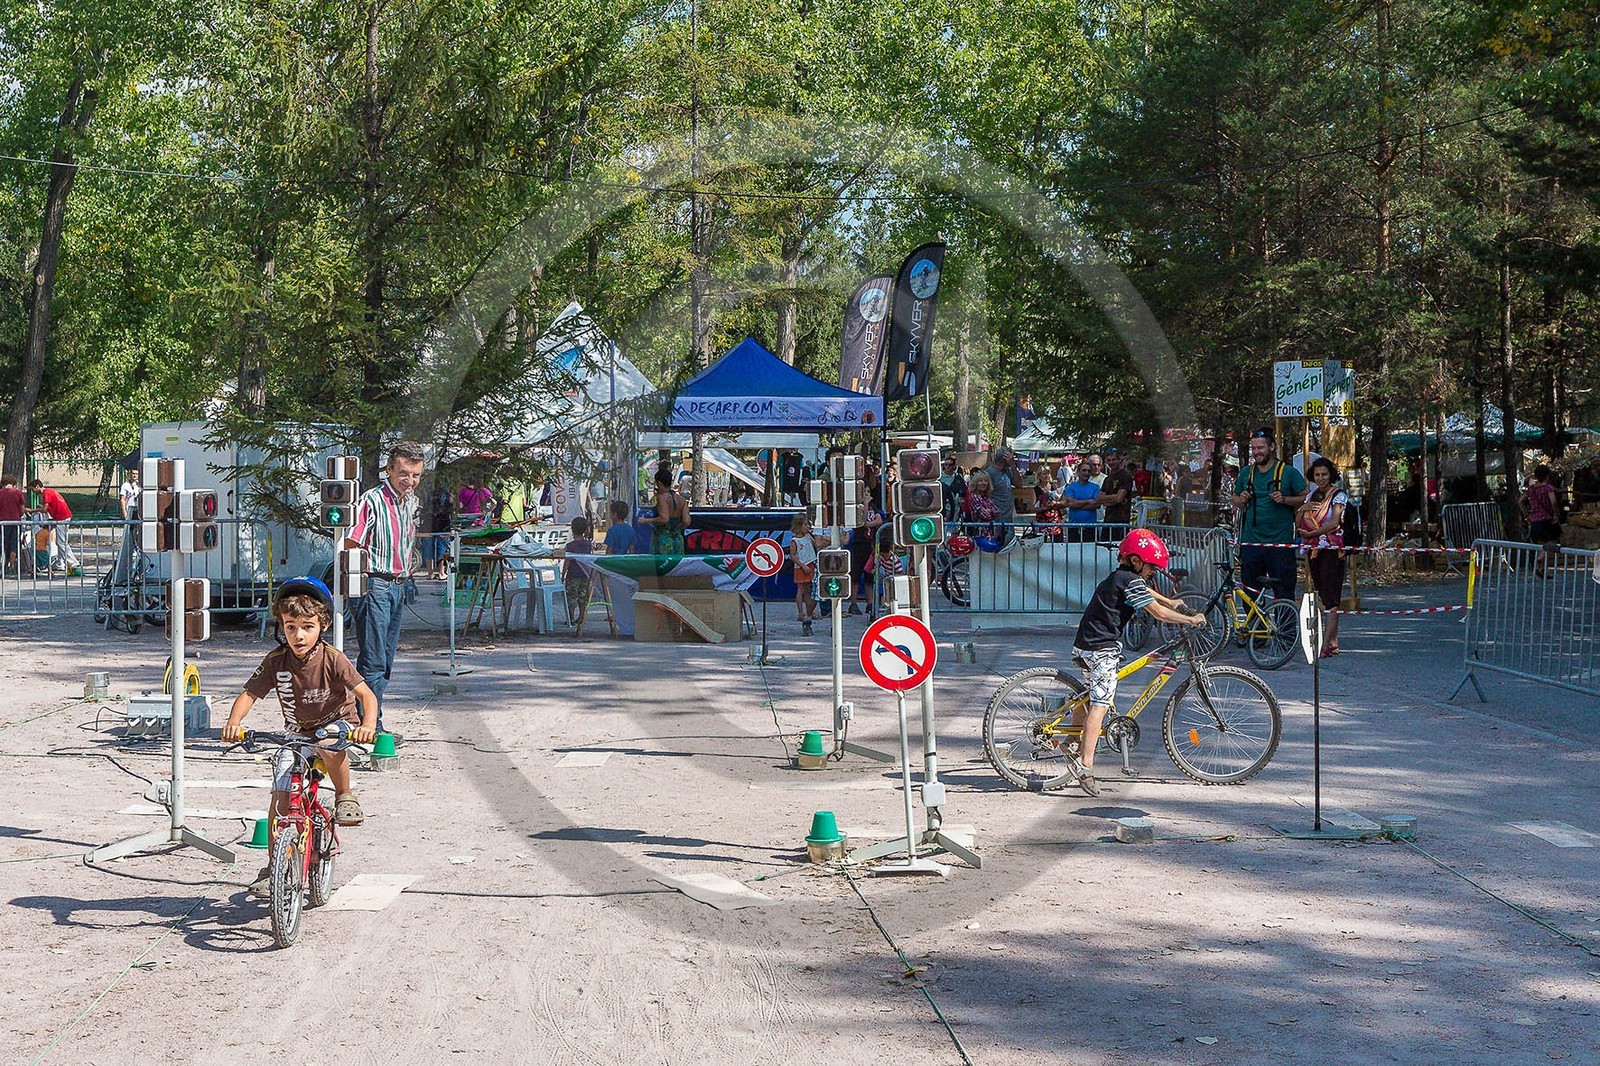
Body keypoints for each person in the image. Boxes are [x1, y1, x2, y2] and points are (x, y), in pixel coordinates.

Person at [221, 577, 378, 897]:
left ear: (322, 625)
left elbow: (366, 695)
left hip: (337, 723)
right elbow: (249, 694)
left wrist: (368, 725)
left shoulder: (332, 658)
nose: (298, 635)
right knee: (279, 795)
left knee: (327, 741)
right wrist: (233, 723)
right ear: (281, 625)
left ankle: (344, 794)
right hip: (296, 731)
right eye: (290, 626)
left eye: (307, 626)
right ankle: (272, 866)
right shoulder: (276, 661)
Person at [1070, 529, 1206, 795]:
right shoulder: (1130, 581)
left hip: (1086, 645)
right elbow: (1157, 613)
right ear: (1135, 560)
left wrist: (1172, 601)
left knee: (1088, 698)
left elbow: (1150, 595)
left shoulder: (1122, 578)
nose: (1153, 572)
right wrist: (1190, 619)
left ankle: (1070, 741)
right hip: (1101, 649)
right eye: (1151, 566)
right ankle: (1085, 766)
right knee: (1100, 703)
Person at [347, 441, 424, 737]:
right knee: (374, 659)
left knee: (387, 658)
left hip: (398, 585)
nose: (410, 481)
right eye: (404, 473)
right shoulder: (372, 500)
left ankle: (371, 717)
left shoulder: (410, 502)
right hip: (375, 584)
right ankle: (369, 724)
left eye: (416, 475)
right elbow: (351, 543)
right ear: (389, 469)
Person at [1231, 428, 1308, 599]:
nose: (1256, 452)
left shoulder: (1287, 472)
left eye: (1260, 448)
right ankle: (1256, 626)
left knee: (1284, 591)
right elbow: (1234, 498)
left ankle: (1285, 626)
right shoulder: (1246, 472)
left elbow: (1304, 496)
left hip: (1279, 544)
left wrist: (1286, 499)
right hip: (1251, 543)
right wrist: (1241, 499)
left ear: (1272, 447)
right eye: (1254, 449)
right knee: (1250, 593)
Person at [1297, 458, 1348, 656]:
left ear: (1331, 475)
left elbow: (1335, 522)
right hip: (1314, 550)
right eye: (1317, 475)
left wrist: (1312, 534)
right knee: (1323, 594)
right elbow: (1299, 521)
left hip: (1332, 551)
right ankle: (1333, 642)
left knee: (1331, 597)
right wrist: (1303, 510)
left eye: (1324, 474)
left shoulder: (1339, 496)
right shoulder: (1311, 495)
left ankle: (1325, 645)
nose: (1321, 478)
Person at [27, 478, 80, 575]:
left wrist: (31, 511)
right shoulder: (49, 491)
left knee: (61, 542)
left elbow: (44, 509)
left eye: (33, 489)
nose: (33, 492)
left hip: (62, 518)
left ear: (37, 486)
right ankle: (61, 563)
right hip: (61, 517)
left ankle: (72, 563)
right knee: (61, 541)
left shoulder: (46, 493)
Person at [1521, 464, 1562, 576]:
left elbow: (1520, 501)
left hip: (1534, 520)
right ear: (1548, 476)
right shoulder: (1548, 488)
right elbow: (1553, 502)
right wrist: (1556, 514)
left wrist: (1526, 516)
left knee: (1541, 544)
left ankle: (1541, 569)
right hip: (1547, 520)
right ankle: (1541, 558)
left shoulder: (1531, 489)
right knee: (1554, 540)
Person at [644, 465, 689, 554]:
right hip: (677, 540)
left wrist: (646, 520)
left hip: (663, 540)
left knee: (661, 566)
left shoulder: (662, 498)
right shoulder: (682, 500)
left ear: (659, 483)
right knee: (678, 566)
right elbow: (686, 521)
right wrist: (676, 530)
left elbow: (664, 519)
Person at [789, 512, 819, 634]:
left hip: (811, 563)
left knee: (808, 590)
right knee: (801, 589)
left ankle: (808, 612)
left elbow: (815, 544)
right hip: (801, 566)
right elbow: (792, 555)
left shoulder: (808, 536)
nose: (807, 527)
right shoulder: (795, 540)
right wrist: (802, 565)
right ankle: (800, 612)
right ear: (799, 525)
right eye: (805, 524)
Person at [419, 479, 455, 580]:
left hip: (428, 521)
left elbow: (421, 502)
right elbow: (452, 504)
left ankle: (430, 572)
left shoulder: (426, 488)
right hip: (443, 522)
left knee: (428, 546)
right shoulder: (447, 489)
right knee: (442, 547)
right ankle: (441, 572)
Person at [1060, 460, 1102, 542]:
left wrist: (1077, 503)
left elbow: (1096, 504)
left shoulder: (1095, 487)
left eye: (1089, 471)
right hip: (1074, 527)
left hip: (1090, 528)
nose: (1086, 473)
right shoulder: (1070, 487)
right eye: (1084, 470)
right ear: (1078, 472)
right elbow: (1070, 504)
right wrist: (1088, 501)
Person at [563, 516, 594, 624]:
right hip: (585, 574)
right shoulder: (587, 545)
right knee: (583, 596)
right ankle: (581, 617)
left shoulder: (570, 546)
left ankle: (570, 617)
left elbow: (567, 561)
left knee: (571, 596)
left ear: (572, 529)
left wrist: (563, 574)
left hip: (573, 575)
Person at [985, 447, 1018, 546]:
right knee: (999, 544)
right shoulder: (990, 473)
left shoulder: (1008, 471)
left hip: (1008, 516)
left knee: (1009, 544)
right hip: (997, 517)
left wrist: (1013, 466)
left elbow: (1018, 484)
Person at [1098, 449, 1137, 527]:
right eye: (1108, 460)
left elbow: (1119, 498)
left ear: (1120, 460)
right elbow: (1099, 498)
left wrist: (1108, 499)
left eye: (1114, 459)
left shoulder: (1125, 476)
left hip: (1121, 521)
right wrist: (1114, 498)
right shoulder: (1107, 478)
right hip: (1107, 520)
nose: (1111, 462)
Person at [0, 474, 26, 574]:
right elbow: (22, 510)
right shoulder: (18, 493)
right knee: (14, 544)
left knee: (1, 544)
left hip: (2, 522)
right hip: (15, 522)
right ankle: (11, 565)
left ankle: (1, 565)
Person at [940, 456, 967, 524]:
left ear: (954, 466)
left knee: (953, 530)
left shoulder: (958, 477)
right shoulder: (939, 477)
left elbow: (963, 492)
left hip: (955, 509)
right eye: (946, 464)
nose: (948, 466)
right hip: (943, 508)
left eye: (950, 465)